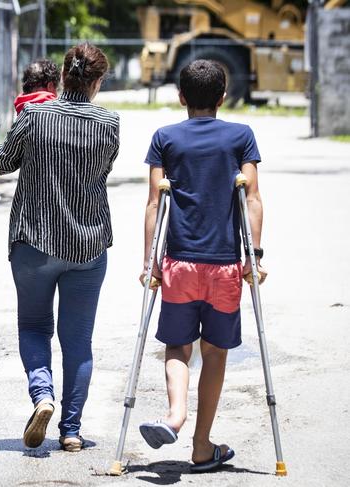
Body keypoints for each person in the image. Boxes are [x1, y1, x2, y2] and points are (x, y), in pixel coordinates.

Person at [139, 59, 266, 472]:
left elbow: (155, 202)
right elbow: (252, 198)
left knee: (177, 346)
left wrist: (149, 263)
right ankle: (200, 445)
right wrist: (255, 257)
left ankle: (174, 417)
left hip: (178, 264)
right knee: (214, 354)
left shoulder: (165, 138)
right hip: (226, 267)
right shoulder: (240, 136)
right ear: (223, 97)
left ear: (180, 98)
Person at [0, 43, 119, 452]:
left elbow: (3, 162)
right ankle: (70, 430)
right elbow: (102, 172)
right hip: (88, 245)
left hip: (34, 241)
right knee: (78, 341)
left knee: (34, 327)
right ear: (97, 81)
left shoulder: (33, 116)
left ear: (62, 76)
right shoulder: (109, 124)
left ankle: (42, 396)